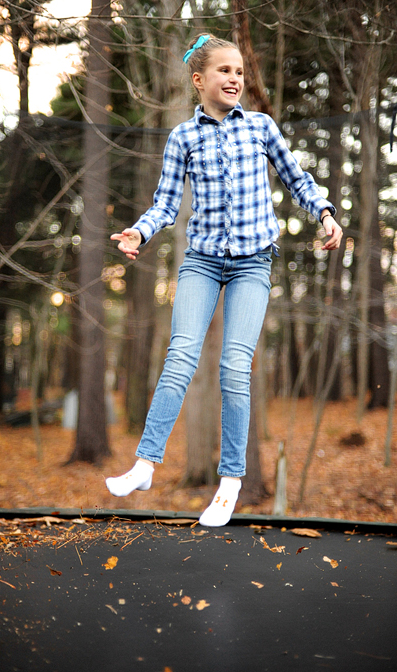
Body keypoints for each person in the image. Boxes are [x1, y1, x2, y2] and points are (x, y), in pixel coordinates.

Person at [106, 34, 342, 527]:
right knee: (180, 357)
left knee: (235, 366)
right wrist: (140, 232)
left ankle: (230, 480)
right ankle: (146, 464)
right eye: (224, 71)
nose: (236, 78)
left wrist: (324, 212)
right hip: (203, 262)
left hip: (254, 263)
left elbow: (297, 179)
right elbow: (165, 204)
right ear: (200, 80)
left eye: (239, 71)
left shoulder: (260, 126)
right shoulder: (183, 138)